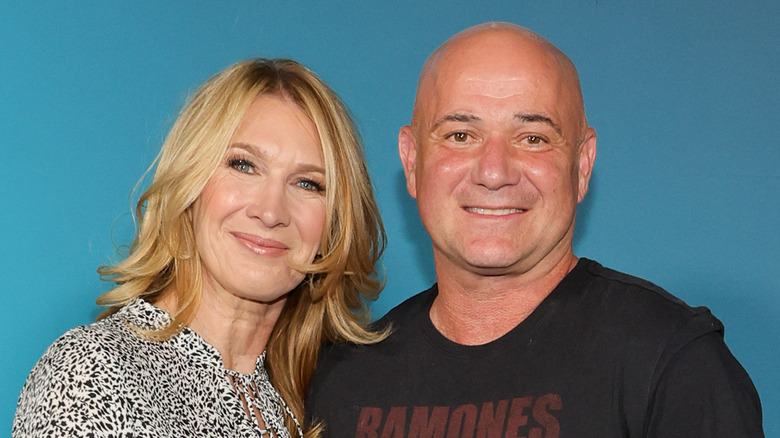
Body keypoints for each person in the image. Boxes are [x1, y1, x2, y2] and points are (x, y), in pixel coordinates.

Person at [305, 22, 764, 437]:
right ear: (412, 161)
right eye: (461, 135)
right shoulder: (344, 379)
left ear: (582, 165)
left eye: (533, 139)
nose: (493, 171)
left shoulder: (668, 362)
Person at [13, 58, 386, 438]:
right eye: (244, 165)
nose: (271, 211)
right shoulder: (94, 373)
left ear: (336, 225)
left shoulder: (315, 405)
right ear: (189, 188)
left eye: (308, 184)